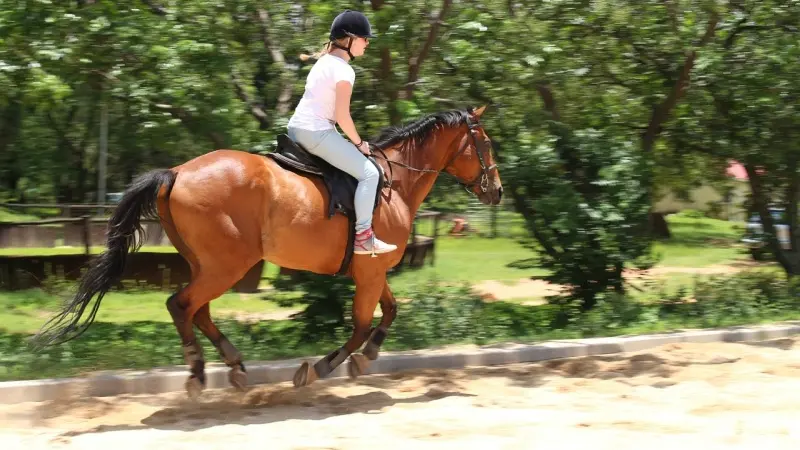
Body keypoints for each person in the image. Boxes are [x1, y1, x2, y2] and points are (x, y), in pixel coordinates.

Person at [287, 10, 397, 256]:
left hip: (296, 129)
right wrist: (359, 144)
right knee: (370, 173)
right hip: (315, 133)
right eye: (364, 38)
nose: (367, 43)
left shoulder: (323, 62)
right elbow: (342, 116)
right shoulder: (344, 70)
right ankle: (364, 237)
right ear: (349, 39)